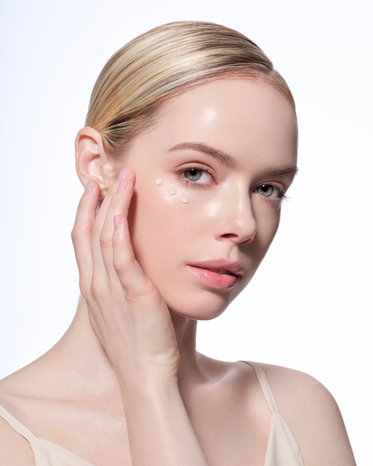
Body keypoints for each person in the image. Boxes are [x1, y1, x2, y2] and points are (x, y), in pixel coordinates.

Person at [0, 21, 356, 466]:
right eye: (195, 172)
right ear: (96, 165)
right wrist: (147, 380)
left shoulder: (298, 412)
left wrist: (148, 384)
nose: (243, 224)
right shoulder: (9, 436)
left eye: (268, 188)